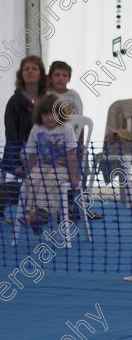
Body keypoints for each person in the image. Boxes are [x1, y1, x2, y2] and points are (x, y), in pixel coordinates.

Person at [21, 94, 79, 233]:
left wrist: (74, 177)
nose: (49, 117)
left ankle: (36, 214)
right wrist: (30, 172)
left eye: (53, 113)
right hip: (43, 166)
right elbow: (32, 154)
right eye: (45, 114)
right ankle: (34, 214)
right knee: (33, 179)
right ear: (39, 115)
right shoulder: (36, 129)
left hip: (63, 168)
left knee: (51, 179)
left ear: (60, 114)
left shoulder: (67, 129)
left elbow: (71, 155)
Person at [0, 55, 47, 222]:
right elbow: (11, 135)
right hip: (21, 153)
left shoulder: (48, 99)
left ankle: (51, 209)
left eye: (34, 68)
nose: (30, 71)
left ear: (41, 74)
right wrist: (16, 163)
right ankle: (35, 212)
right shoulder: (14, 102)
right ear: (21, 75)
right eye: (26, 69)